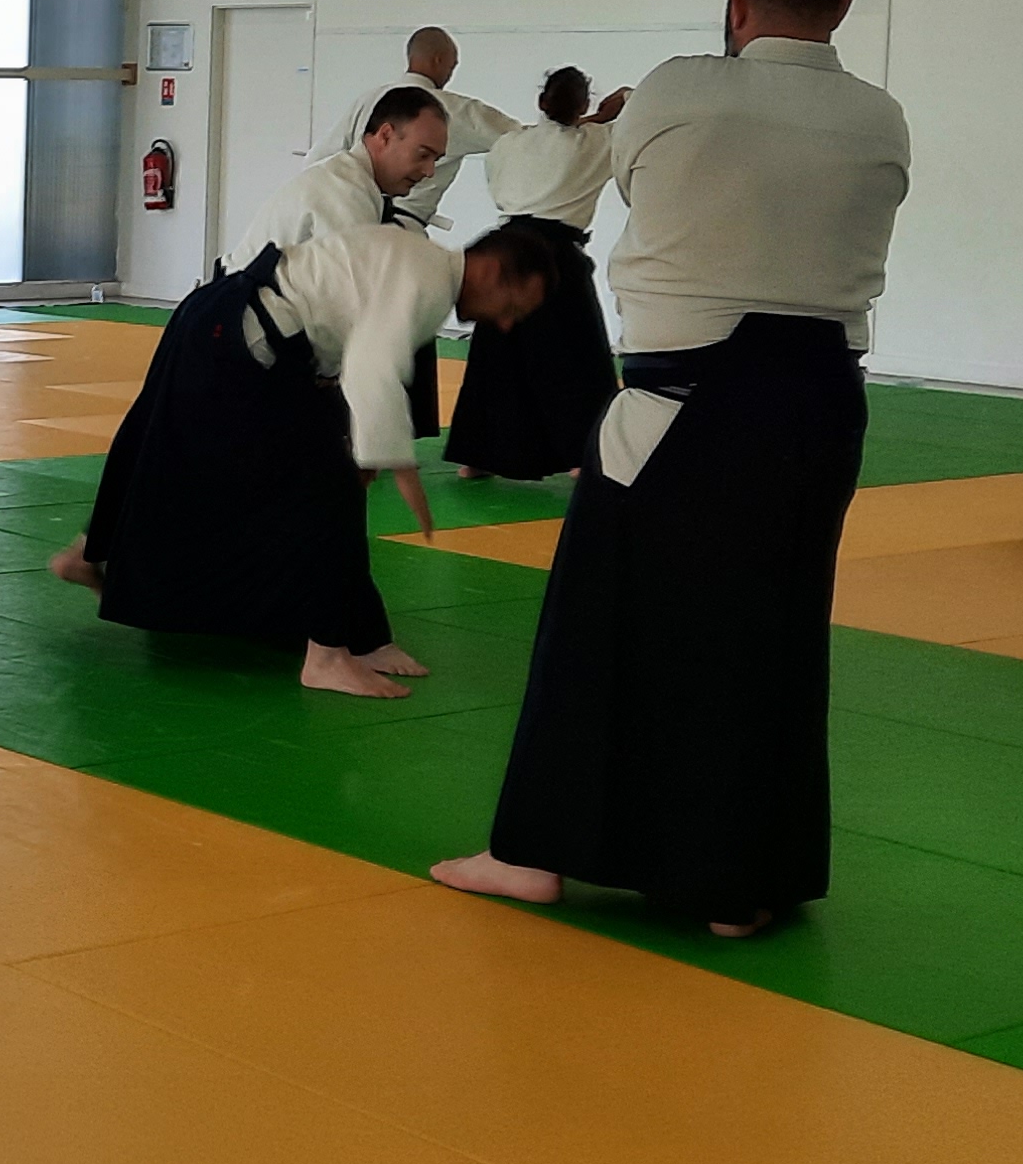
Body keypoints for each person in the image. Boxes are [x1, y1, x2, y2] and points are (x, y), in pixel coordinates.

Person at [435, 0, 909, 939]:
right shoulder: (881, 115)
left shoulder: (676, 88)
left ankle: (530, 854)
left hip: (681, 409)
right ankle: (738, 883)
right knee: (769, 637)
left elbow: (645, 192)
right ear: (841, 6)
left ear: (735, 4)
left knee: (597, 631)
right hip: (821, 408)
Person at [51, 221, 561, 698]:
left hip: (239, 330)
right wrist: (401, 467)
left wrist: (370, 451)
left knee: (196, 458)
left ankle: (359, 637)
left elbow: (346, 331)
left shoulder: (419, 262)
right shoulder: (426, 280)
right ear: (492, 271)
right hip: (236, 338)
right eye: (513, 306)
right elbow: (372, 367)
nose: (506, 322)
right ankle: (327, 655)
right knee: (304, 490)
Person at [443, 67, 629, 480]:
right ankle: (583, 455)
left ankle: (478, 456)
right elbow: (626, 117)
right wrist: (613, 108)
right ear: (584, 104)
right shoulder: (597, 141)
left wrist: (589, 119)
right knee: (576, 356)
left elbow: (551, 138)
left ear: (541, 102)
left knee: (498, 356)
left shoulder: (510, 142)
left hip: (505, 247)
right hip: (557, 255)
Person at [234, 86, 449, 434]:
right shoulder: (344, 194)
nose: (429, 171)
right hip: (241, 341)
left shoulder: (354, 184)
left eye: (436, 159)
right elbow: (351, 306)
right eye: (423, 155)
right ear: (384, 135)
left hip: (260, 334)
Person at [337, 27, 522, 228]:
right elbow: (525, 139)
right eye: (452, 66)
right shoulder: (455, 110)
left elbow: (322, 156)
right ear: (438, 60)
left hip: (351, 222)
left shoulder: (367, 100)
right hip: (403, 226)